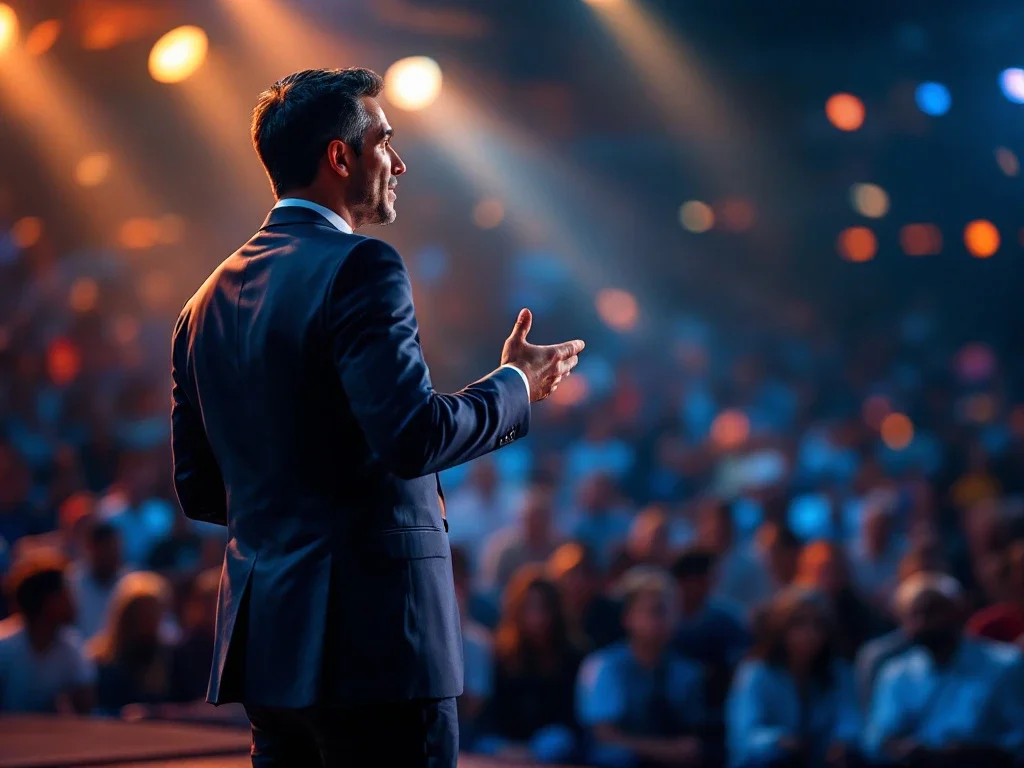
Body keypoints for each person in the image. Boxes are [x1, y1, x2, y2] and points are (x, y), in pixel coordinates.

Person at [169, 67, 583, 768]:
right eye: (385, 141)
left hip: (269, 647)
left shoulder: (199, 304)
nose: (399, 161)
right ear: (341, 156)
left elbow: (201, 488)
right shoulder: (362, 267)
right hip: (378, 649)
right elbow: (412, 437)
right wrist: (516, 383)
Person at [863, 572, 1024, 767]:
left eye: (932, 611)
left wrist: (972, 754)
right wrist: (902, 749)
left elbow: (1018, 738)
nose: (923, 623)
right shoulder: (896, 674)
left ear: (960, 611)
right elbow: (876, 739)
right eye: (914, 615)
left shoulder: (1004, 666)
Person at [577, 566, 709, 768]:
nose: (664, 620)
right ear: (628, 617)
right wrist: (666, 750)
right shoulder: (605, 667)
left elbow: (692, 739)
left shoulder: (687, 672)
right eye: (655, 611)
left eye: (670, 611)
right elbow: (604, 736)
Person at [726, 587, 861, 768]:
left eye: (818, 624)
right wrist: (778, 741)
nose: (809, 632)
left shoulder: (838, 672)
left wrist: (842, 741)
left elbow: (850, 717)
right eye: (799, 623)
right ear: (781, 627)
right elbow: (743, 734)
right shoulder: (756, 673)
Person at [476, 566, 582, 764]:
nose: (537, 616)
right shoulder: (501, 654)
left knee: (558, 740)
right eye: (529, 607)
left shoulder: (572, 655)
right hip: (505, 741)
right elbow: (490, 713)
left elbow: (571, 718)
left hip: (548, 742)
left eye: (543, 607)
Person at [0, 553, 95, 713]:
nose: (73, 601)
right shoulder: (4, 648)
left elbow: (86, 709)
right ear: (49, 601)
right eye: (66, 594)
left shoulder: (71, 647)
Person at [670, 546, 751, 716]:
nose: (709, 585)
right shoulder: (663, 617)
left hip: (717, 702)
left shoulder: (726, 619)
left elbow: (741, 663)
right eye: (701, 580)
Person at [89, 571, 174, 714]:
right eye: (141, 612)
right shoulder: (102, 662)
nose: (149, 620)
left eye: (153, 612)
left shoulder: (170, 659)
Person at [794, 540, 892, 660]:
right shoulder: (796, 608)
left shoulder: (858, 607)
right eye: (824, 570)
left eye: (836, 568)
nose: (831, 576)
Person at [547, 541, 624, 652]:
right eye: (571, 574)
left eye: (585, 572)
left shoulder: (613, 615)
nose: (578, 581)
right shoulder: (548, 614)